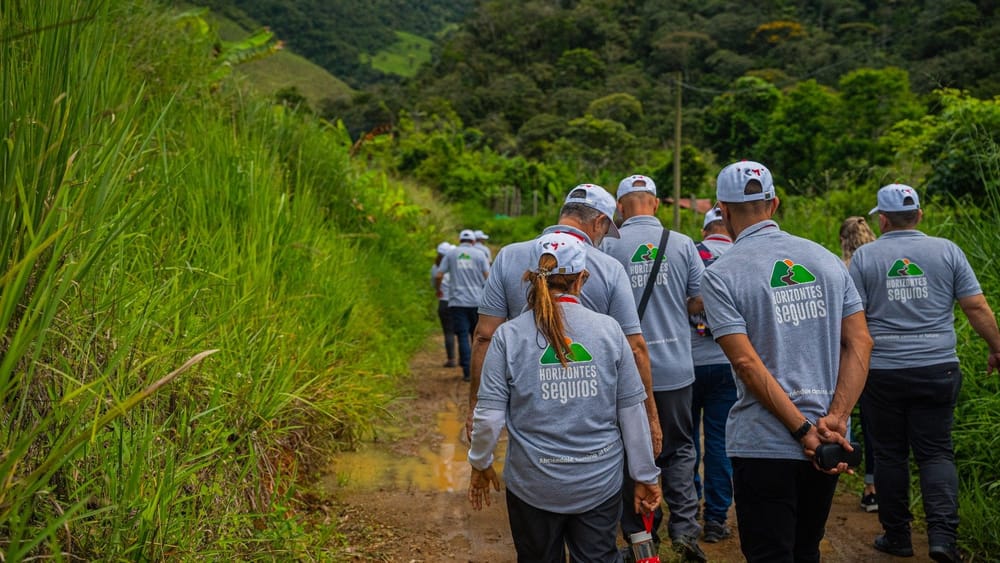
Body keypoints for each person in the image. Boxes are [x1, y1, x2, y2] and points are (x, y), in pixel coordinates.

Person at [700, 160, 873, 563]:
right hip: (829, 442)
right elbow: (861, 341)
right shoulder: (826, 260)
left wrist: (802, 432)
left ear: (722, 210)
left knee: (769, 554)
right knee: (806, 548)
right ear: (774, 203)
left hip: (763, 443)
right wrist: (836, 418)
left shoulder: (721, 274)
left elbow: (745, 363)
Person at [467, 232, 663, 561]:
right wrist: (644, 476)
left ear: (530, 278)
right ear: (581, 279)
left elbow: (488, 416)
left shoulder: (508, 336)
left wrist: (480, 463)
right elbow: (632, 413)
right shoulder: (610, 331)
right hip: (598, 483)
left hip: (532, 485)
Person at [849, 184, 1000, 563]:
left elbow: (851, 321)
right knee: (936, 454)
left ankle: (898, 536)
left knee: (889, 455)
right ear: (919, 215)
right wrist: (997, 347)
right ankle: (943, 540)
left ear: (882, 219)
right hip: (938, 368)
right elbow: (977, 307)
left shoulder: (865, 258)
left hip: (882, 373)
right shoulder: (947, 250)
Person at [468, 184, 663, 457]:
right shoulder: (609, 268)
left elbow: (484, 337)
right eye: (606, 231)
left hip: (531, 410)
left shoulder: (508, 257)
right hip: (594, 415)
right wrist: (651, 417)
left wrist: (475, 406)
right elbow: (634, 347)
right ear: (599, 222)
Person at [600, 174, 707, 562]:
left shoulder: (607, 248)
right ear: (657, 204)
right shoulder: (682, 245)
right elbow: (699, 302)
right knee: (679, 450)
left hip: (625, 374)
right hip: (676, 369)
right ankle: (685, 533)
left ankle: (641, 538)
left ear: (620, 207)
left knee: (633, 453)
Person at [688, 206, 737, 543]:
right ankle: (716, 519)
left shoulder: (691, 253)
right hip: (728, 362)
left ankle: (687, 512)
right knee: (719, 443)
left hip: (686, 363)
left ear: (706, 231)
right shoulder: (741, 254)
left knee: (686, 443)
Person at [838, 216, 879, 513]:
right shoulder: (882, 263)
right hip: (886, 356)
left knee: (854, 416)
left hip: (853, 354)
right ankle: (875, 487)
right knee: (881, 429)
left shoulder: (843, 269)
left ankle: (842, 466)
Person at [436, 229, 490, 381]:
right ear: (473, 242)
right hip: (477, 302)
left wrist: (438, 289)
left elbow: (439, 274)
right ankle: (478, 371)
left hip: (457, 302)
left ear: (460, 240)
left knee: (462, 336)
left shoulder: (451, 255)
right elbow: (488, 277)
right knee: (477, 337)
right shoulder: (480, 254)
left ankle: (467, 372)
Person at [431, 241, 458, 367]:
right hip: (458, 301)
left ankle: (451, 359)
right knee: (464, 332)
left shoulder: (435, 268)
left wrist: (438, 290)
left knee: (448, 332)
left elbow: (434, 282)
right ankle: (466, 359)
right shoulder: (456, 265)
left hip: (444, 301)